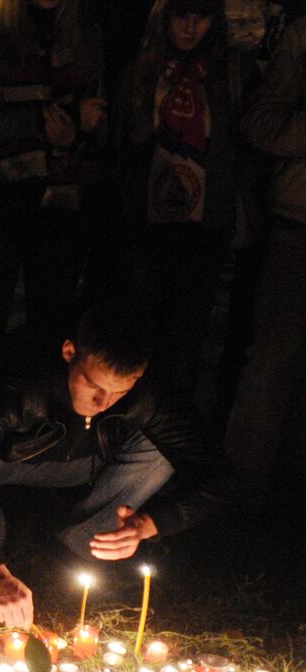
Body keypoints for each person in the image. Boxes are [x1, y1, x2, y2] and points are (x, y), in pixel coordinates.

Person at [0, 306, 231, 626]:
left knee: (160, 451)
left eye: (120, 391)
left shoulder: (149, 394)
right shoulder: (15, 383)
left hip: (86, 461)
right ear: (70, 352)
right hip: (9, 460)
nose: (103, 403)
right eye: (94, 385)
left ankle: (76, 548)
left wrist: (149, 525)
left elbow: (219, 475)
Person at [120, 0, 258, 403]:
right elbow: (126, 141)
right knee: (142, 328)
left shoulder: (229, 73)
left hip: (205, 225)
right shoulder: (144, 71)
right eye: (182, 15)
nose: (190, 26)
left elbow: (244, 138)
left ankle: (169, 431)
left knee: (188, 334)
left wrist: (232, 183)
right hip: (149, 221)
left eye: (200, 16)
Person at [0, 0, 109, 358]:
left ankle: (41, 408)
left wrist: (79, 132)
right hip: (4, 197)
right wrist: (55, 124)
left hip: (62, 198)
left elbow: (101, 120)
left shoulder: (85, 40)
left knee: (52, 325)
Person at [224, 15, 306, 502]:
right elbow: (260, 124)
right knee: (271, 363)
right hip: (298, 225)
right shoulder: (301, 36)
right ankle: (237, 494)